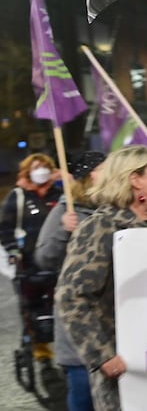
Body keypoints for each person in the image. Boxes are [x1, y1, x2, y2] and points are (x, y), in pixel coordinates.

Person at [55, 146, 147, 410]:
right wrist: (102, 355)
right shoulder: (101, 226)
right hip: (127, 375)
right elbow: (70, 296)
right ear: (135, 179)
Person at [35, 151, 106, 411]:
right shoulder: (67, 210)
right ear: (88, 177)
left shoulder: (114, 210)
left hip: (109, 322)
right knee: (83, 396)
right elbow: (43, 258)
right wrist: (64, 231)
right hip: (78, 330)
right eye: (103, 169)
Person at [0, 152, 63, 366]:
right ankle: (41, 350)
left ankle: (64, 344)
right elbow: (6, 227)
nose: (41, 170)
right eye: (36, 167)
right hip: (28, 262)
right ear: (28, 171)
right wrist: (12, 250)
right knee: (32, 306)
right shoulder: (18, 196)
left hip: (56, 260)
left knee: (59, 304)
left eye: (45, 166)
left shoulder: (60, 194)